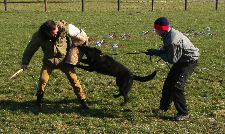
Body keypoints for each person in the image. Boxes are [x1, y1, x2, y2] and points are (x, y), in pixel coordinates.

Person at [21, 20, 89, 109]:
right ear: (46, 32)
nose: (56, 35)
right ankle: (39, 100)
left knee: (74, 80)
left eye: (57, 32)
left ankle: (83, 101)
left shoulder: (65, 30)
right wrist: (25, 63)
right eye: (53, 34)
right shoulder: (39, 36)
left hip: (64, 61)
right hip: (49, 62)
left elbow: (80, 36)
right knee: (42, 80)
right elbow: (30, 49)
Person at [145, 17, 200, 121]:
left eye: (156, 28)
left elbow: (172, 59)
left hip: (189, 61)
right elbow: (169, 50)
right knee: (168, 83)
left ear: (160, 29)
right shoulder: (167, 34)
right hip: (181, 60)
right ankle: (164, 107)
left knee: (177, 86)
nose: (155, 30)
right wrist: (156, 51)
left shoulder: (173, 40)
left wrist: (158, 53)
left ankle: (183, 113)